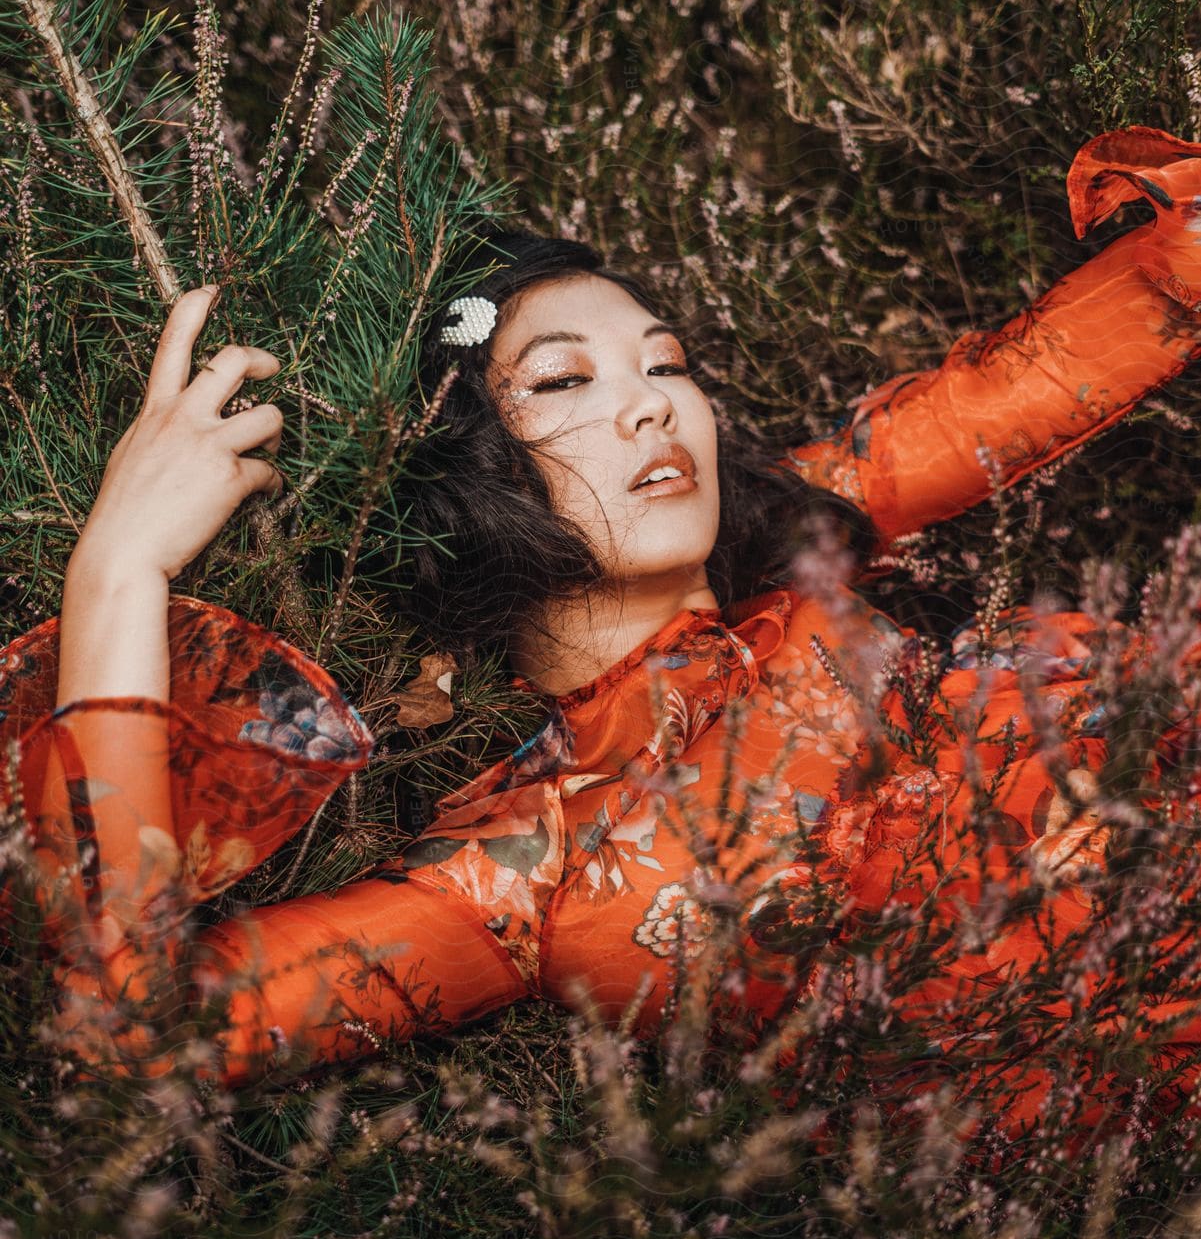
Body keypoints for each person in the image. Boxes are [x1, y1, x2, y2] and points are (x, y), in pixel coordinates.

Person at [6, 123, 1201, 1157]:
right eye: (565, 381)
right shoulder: (517, 873)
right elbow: (136, 1037)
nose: (652, 401)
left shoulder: (799, 542)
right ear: (462, 472)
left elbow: (1046, 365)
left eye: (667, 362)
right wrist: (118, 569)